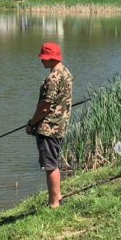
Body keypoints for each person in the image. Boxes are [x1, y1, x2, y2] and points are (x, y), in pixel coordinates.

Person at [26, 42, 73, 209]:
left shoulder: (53, 78)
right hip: (60, 126)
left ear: (51, 57)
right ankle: (58, 197)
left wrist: (32, 123)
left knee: (50, 165)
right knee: (53, 161)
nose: (41, 61)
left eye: (43, 58)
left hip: (49, 128)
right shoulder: (66, 73)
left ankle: (54, 203)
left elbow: (45, 107)